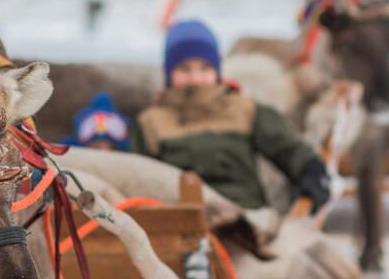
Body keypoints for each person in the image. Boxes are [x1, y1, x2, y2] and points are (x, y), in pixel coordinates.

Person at [133, 19, 329, 213]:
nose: (195, 78)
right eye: (184, 69)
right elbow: (136, 176)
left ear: (217, 71)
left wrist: (310, 172)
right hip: (176, 223)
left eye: (204, 68)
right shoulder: (151, 121)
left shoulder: (244, 109)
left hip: (244, 218)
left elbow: (288, 148)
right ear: (169, 73)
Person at [66, 91, 131, 151]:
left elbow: (76, 123)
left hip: (89, 142)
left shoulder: (85, 114)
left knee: (67, 140)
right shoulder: (117, 115)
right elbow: (127, 125)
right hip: (109, 143)